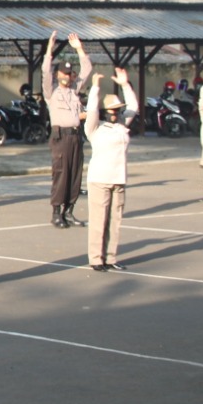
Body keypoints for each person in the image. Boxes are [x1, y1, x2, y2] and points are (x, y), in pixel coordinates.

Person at [83, 68, 138, 271]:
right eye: (113, 110)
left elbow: (133, 106)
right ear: (106, 112)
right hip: (99, 178)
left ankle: (111, 257)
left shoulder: (122, 126)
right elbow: (91, 111)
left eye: (118, 110)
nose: (116, 113)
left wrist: (125, 84)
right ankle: (96, 258)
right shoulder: (95, 128)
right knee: (99, 220)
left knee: (115, 221)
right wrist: (95, 88)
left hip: (119, 178)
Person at [42, 30, 92, 228]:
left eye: (69, 73)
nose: (67, 76)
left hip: (75, 136)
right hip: (60, 137)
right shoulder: (51, 91)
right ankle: (56, 212)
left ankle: (69, 211)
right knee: (61, 174)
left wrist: (79, 48)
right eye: (63, 73)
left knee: (75, 175)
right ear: (58, 74)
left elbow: (87, 70)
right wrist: (49, 49)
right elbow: (45, 72)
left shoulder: (74, 90)